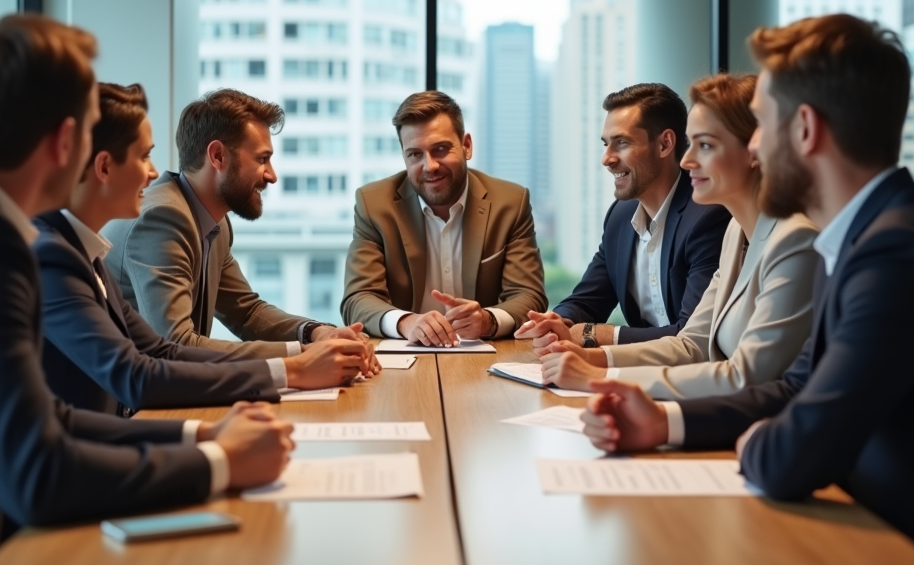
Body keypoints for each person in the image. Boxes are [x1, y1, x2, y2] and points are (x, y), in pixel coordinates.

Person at [580, 14, 914, 565]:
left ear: (804, 130)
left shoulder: (901, 251)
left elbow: (798, 448)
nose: (754, 147)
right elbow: (797, 389)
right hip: (880, 536)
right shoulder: (871, 234)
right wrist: (663, 422)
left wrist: (760, 440)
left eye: (760, 127)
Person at [0, 16, 294, 565]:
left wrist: (203, 438)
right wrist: (221, 466)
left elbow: (47, 415)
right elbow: (37, 473)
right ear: (65, 143)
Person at [37, 82, 369, 417]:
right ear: (217, 156)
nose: (272, 175)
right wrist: (295, 365)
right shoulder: (157, 219)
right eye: (144, 156)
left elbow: (232, 317)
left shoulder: (91, 248)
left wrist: (313, 336)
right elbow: (161, 355)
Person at [538, 74, 818, 397]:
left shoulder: (794, 240)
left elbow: (746, 379)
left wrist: (597, 377)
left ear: (756, 149)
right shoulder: (736, 232)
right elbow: (692, 345)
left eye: (706, 145)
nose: (686, 160)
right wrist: (591, 358)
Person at [102, 89, 376, 371]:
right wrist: (302, 355)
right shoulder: (163, 218)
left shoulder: (213, 220)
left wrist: (318, 333)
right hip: (128, 407)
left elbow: (246, 312)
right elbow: (175, 343)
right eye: (261, 159)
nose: (272, 175)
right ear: (218, 156)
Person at [517, 83, 730, 351]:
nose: (607, 159)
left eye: (622, 143)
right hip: (635, 373)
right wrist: (556, 321)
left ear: (665, 144)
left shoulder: (707, 216)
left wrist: (600, 335)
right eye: (606, 144)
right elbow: (587, 301)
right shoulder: (621, 215)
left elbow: (692, 336)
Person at [341, 91, 547, 346]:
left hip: (487, 356)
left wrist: (488, 320)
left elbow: (529, 295)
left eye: (440, 149)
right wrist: (406, 322)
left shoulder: (510, 203)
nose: (430, 166)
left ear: (466, 146)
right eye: (415, 154)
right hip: (406, 355)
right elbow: (358, 298)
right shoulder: (374, 205)